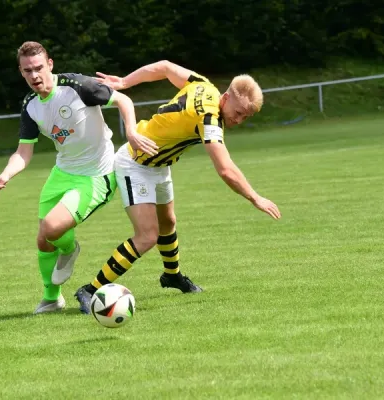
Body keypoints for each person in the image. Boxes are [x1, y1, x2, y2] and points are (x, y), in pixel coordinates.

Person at [72, 60, 282, 314]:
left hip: (160, 164)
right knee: (147, 236)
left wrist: (126, 82)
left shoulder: (205, 85)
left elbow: (165, 67)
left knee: (168, 222)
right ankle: (90, 289)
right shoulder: (209, 119)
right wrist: (255, 198)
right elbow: (226, 169)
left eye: (246, 117)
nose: (239, 120)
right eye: (238, 113)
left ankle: (172, 276)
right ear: (226, 98)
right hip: (135, 163)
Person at [0, 41, 158, 314]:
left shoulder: (77, 87)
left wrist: (131, 132)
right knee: (43, 239)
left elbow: (123, 100)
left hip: (96, 175)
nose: (34, 75)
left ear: (50, 65)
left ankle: (70, 250)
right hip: (62, 172)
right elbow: (23, 152)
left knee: (52, 229)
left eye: (38, 68)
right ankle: (52, 298)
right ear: (21, 72)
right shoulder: (30, 105)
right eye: (27, 70)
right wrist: (5, 175)